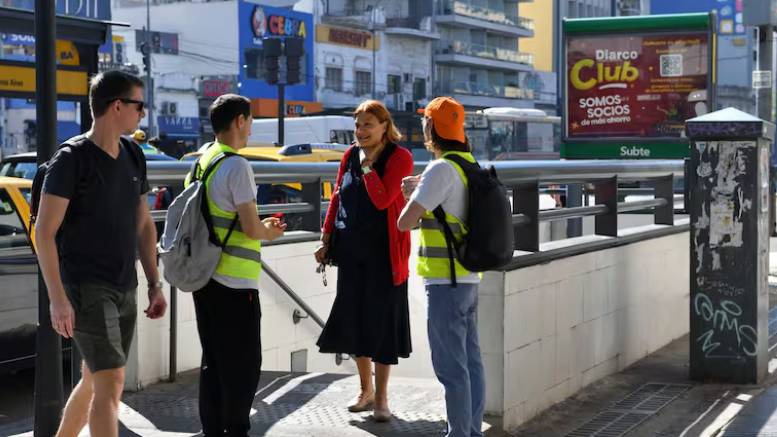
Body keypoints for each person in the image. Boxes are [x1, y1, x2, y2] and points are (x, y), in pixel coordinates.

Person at [35, 70, 168, 437]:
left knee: (96, 378)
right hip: (86, 288)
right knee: (112, 383)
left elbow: (143, 224)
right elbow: (43, 231)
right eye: (139, 105)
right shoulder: (72, 159)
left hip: (125, 285)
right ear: (117, 106)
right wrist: (57, 300)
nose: (143, 113)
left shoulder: (132, 154)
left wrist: (154, 282)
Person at [189, 93, 286, 437]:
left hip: (204, 277)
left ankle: (212, 429)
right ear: (241, 121)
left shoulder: (203, 160)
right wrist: (270, 232)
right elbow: (249, 227)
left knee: (212, 360)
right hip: (235, 282)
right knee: (243, 364)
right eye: (251, 122)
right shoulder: (237, 165)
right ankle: (236, 429)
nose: (251, 129)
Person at [315, 99, 413, 422]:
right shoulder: (348, 156)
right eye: (358, 126)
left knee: (383, 326)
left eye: (368, 125)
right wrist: (325, 237)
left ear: (385, 126)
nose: (361, 132)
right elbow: (337, 198)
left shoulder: (400, 158)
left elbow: (384, 199)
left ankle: (382, 398)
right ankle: (365, 390)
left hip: (385, 255)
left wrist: (369, 166)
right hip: (352, 252)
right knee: (356, 322)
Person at [397, 96, 485, 437]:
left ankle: (459, 433)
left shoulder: (440, 169)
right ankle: (471, 431)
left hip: (444, 282)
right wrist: (422, 188)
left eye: (425, 122)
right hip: (468, 279)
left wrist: (414, 192)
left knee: (451, 368)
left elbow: (406, 223)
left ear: (432, 128)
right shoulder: (468, 163)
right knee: (472, 362)